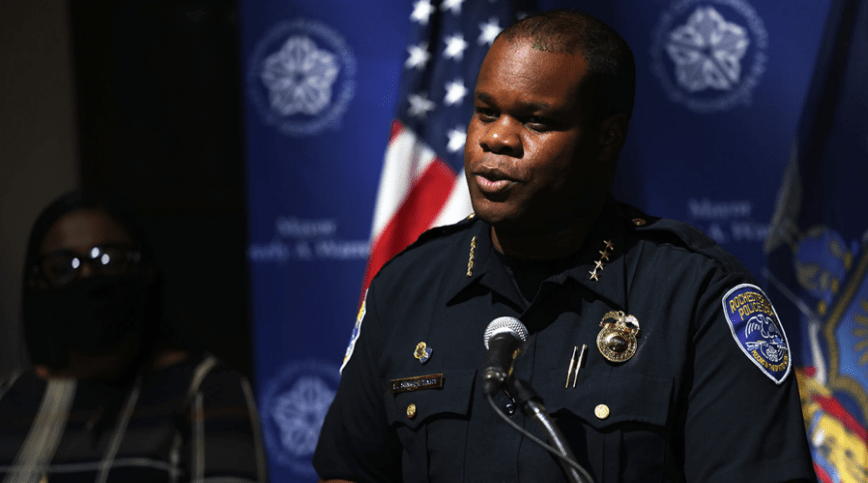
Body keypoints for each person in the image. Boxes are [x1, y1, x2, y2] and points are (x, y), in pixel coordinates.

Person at [312, 9, 817, 483]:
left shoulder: (697, 296)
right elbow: (350, 470)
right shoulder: (404, 288)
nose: (497, 140)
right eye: (486, 112)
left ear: (606, 138)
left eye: (536, 122)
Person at [0, 190, 268, 482]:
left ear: (146, 269)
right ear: (37, 282)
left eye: (109, 260)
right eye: (63, 268)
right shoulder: (12, 399)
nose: (87, 276)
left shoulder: (206, 392)